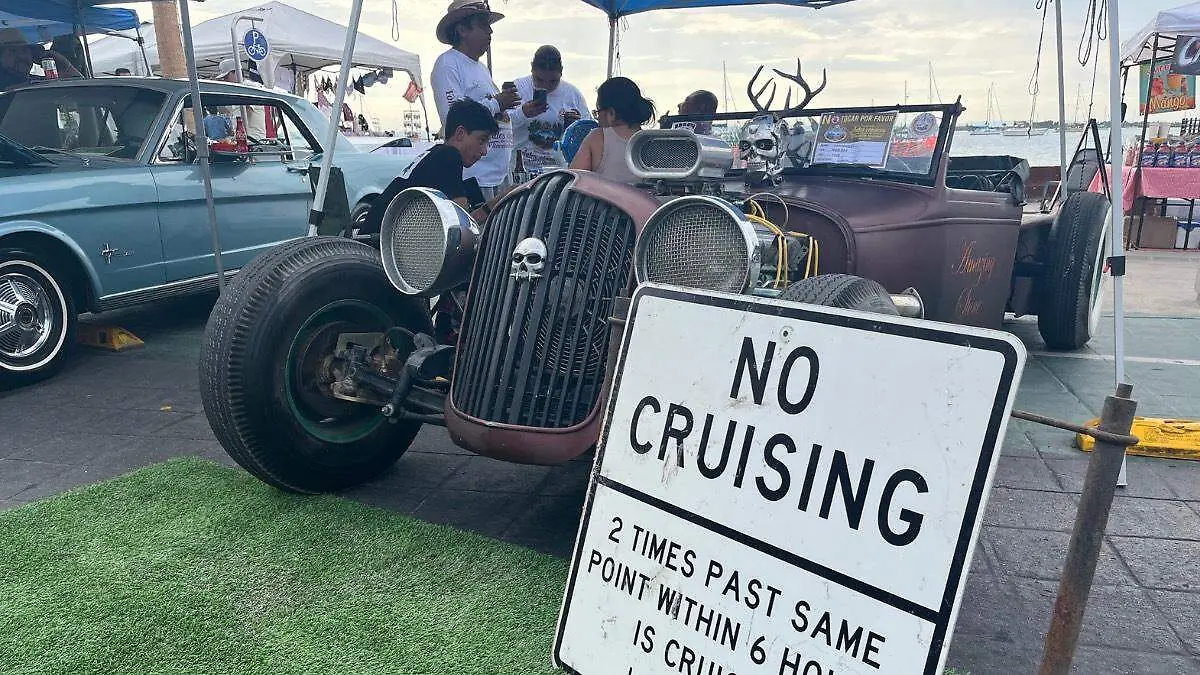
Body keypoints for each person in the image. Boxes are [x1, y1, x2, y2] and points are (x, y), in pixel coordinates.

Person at [431, 0, 539, 200]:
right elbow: (454, 118)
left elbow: (495, 121)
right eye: (484, 25)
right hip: (474, 177)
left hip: (497, 176)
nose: (491, 32)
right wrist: (498, 102)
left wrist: (524, 113)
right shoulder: (448, 64)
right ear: (462, 29)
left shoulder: (481, 69)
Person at [365, 98, 503, 235]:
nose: (485, 151)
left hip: (374, 241)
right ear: (460, 133)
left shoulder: (436, 153)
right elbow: (463, 229)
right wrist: (499, 202)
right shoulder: (449, 156)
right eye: (482, 140)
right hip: (379, 248)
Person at [508, 45, 592, 176]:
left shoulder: (573, 94)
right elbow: (500, 125)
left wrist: (577, 125)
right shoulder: (518, 88)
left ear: (561, 71)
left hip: (558, 172)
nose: (546, 86)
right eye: (539, 80)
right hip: (520, 170)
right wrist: (522, 113)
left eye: (553, 81)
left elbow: (589, 131)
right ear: (532, 68)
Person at [569, 76, 655, 184]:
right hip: (643, 201)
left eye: (598, 112)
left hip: (604, 200)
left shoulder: (597, 138)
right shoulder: (652, 142)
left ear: (611, 113)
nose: (597, 118)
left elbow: (574, 180)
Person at [0, 28, 82, 92]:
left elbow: (80, 88)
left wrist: (65, 65)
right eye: (12, 51)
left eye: (25, 51)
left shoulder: (36, 81)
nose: (22, 56)